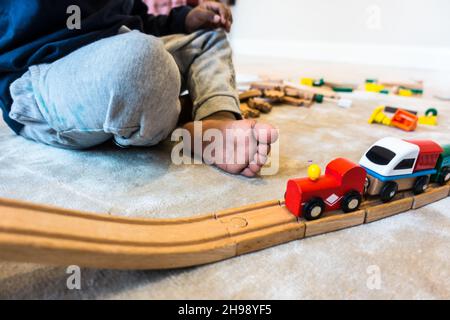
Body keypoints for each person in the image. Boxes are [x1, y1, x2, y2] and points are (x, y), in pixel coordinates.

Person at [0, 0, 278, 177]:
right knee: (141, 59)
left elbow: (139, 21)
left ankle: (214, 122)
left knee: (208, 37)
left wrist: (184, 20)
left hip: (121, 48)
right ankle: (167, 108)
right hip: (43, 77)